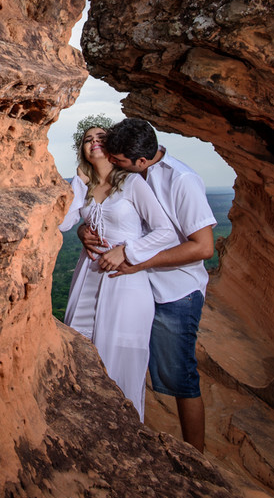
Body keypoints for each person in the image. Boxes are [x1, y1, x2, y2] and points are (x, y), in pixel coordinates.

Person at [82, 118, 216, 452]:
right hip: (138, 286)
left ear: (142, 161)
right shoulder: (129, 175)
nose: (112, 162)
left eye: (120, 160)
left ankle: (197, 459)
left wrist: (139, 260)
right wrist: (86, 230)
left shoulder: (181, 181)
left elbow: (203, 247)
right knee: (129, 358)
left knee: (179, 376)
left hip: (176, 291)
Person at [59, 119, 180, 422]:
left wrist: (126, 250)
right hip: (87, 278)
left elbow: (165, 231)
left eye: (101, 136)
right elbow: (62, 223)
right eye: (88, 139)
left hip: (125, 280)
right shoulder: (85, 188)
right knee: (80, 347)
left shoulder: (133, 184)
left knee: (121, 356)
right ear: (82, 150)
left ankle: (125, 428)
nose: (95, 141)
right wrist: (77, 185)